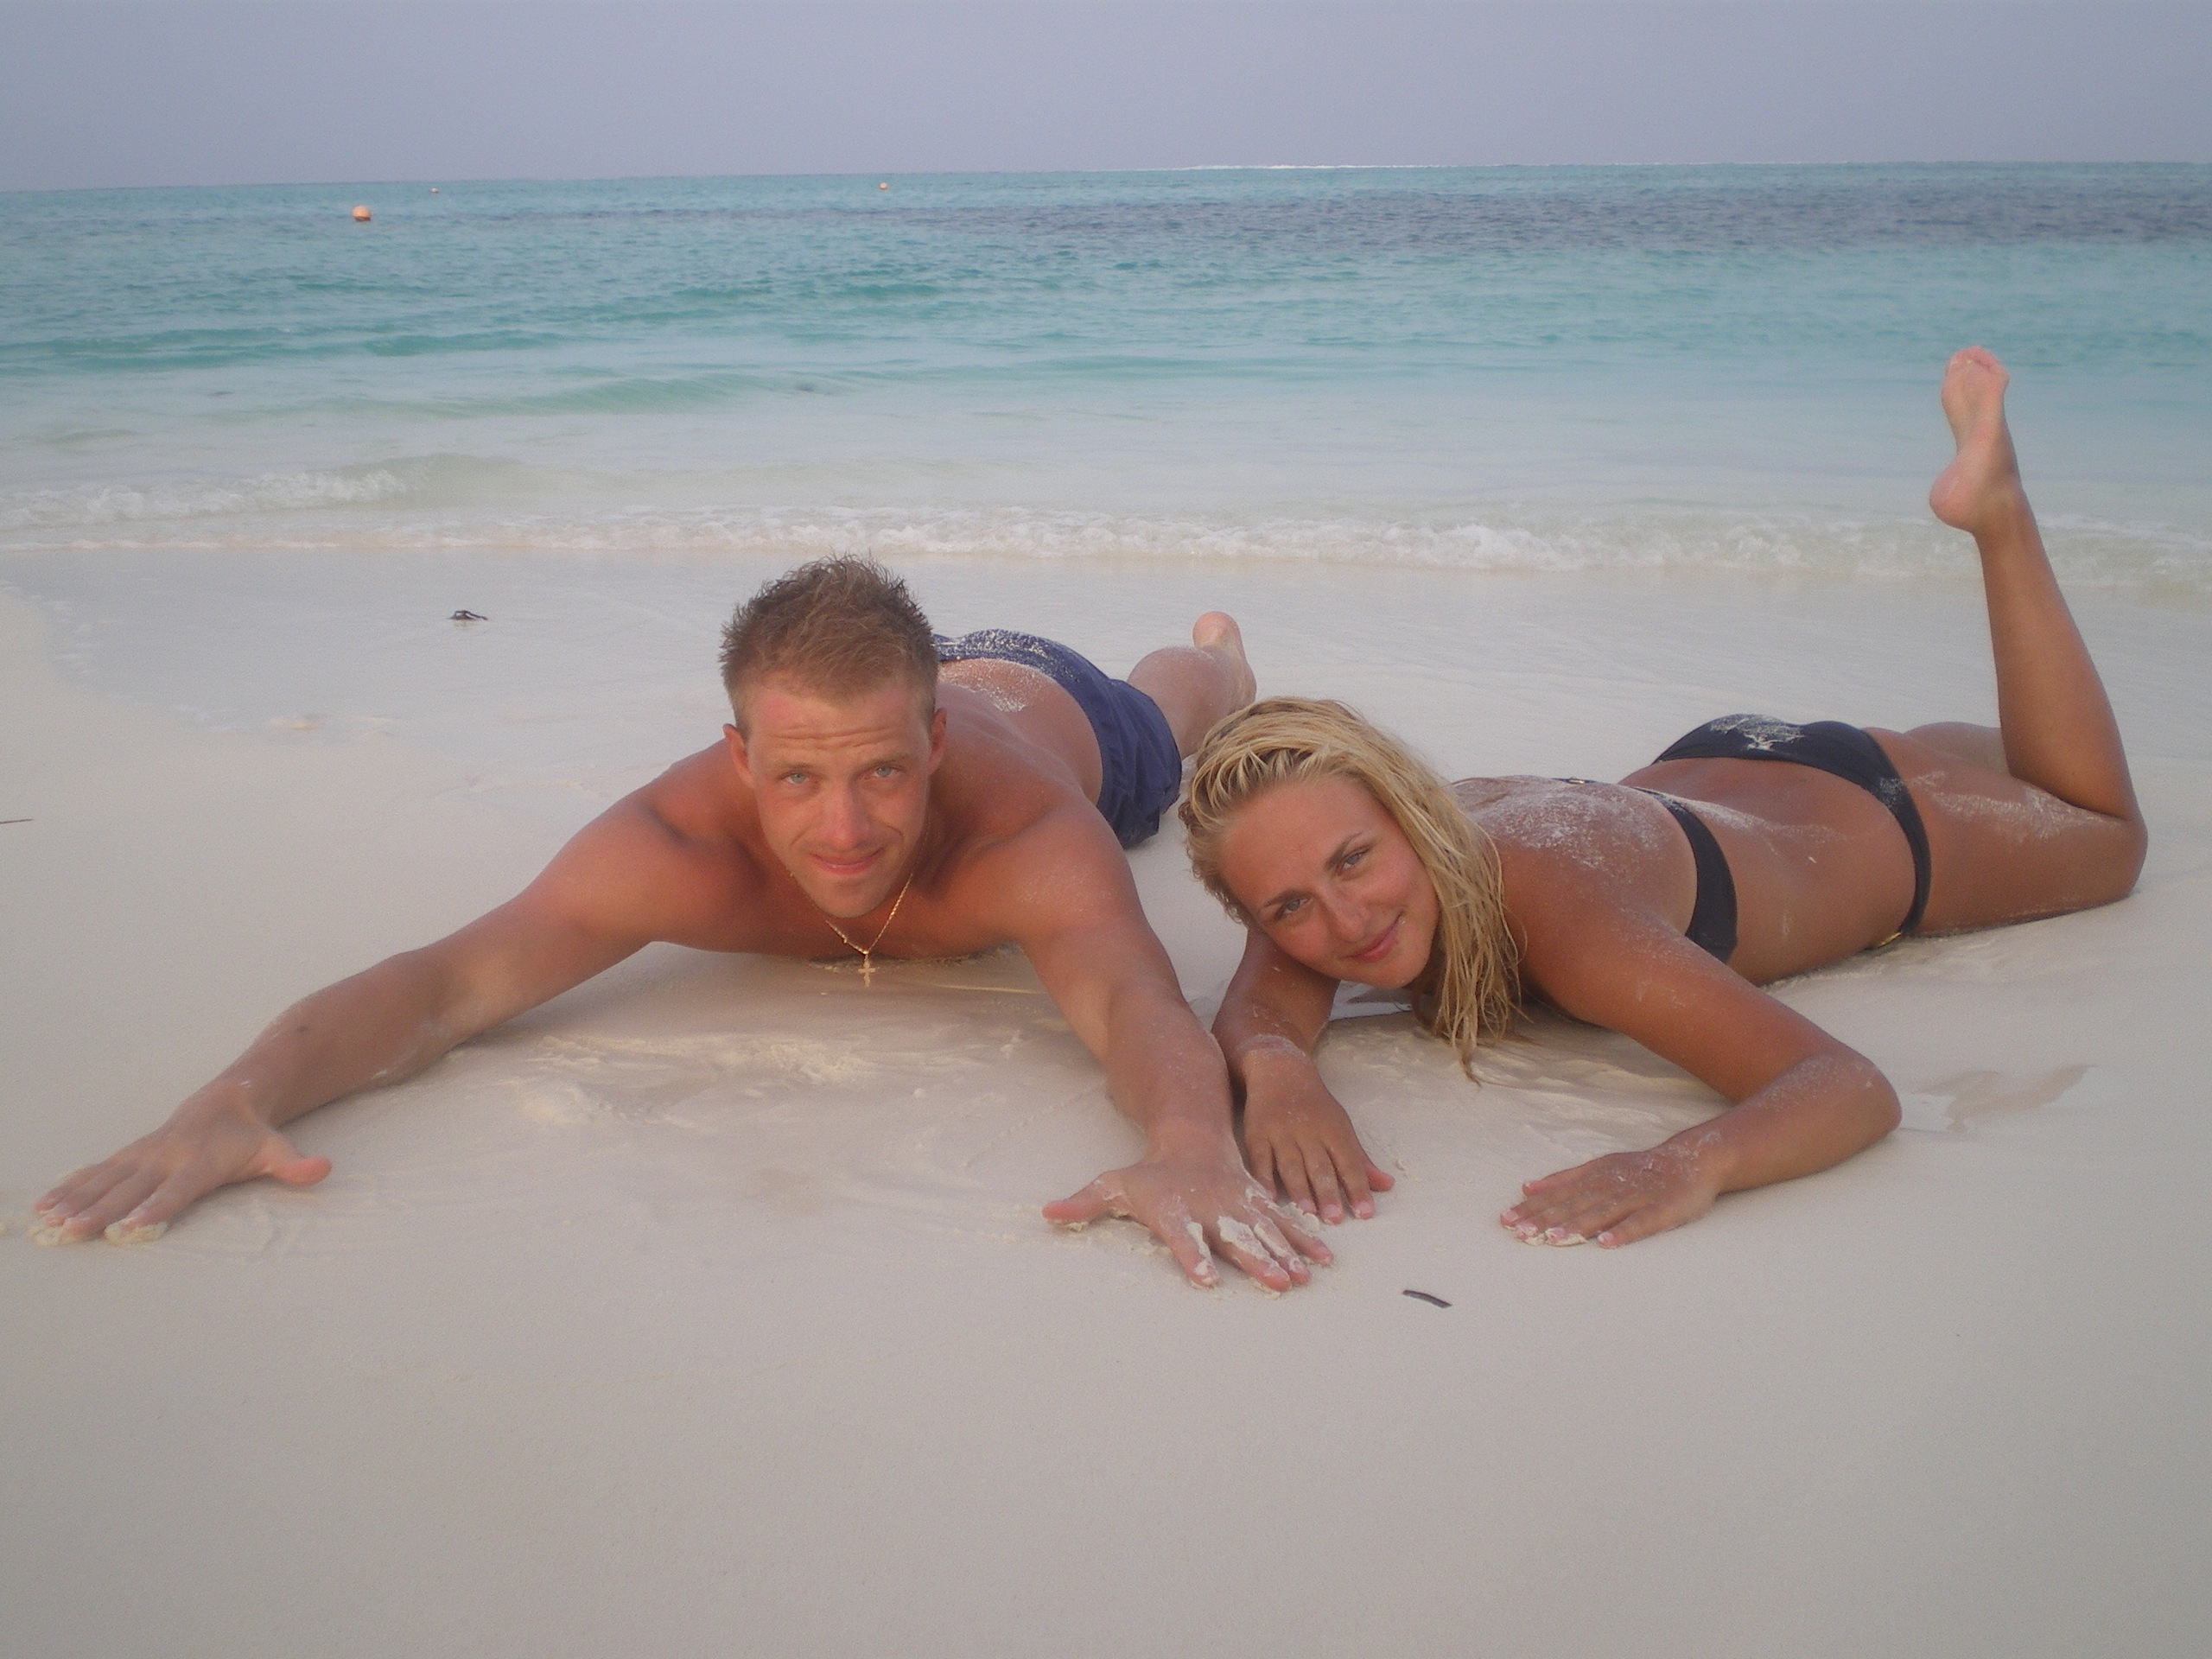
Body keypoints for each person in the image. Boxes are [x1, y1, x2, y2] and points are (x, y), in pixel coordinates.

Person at [36, 559, 1330, 1291]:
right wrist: (238, 1099)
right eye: (797, 777)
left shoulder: (1025, 835)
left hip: (1051, 706)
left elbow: (1131, 999)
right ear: (738, 752)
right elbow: (442, 988)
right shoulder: (673, 846)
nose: (842, 828)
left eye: (884, 774)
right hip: (912, 669)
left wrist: (1186, 1145)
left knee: (1173, 714)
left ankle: (1216, 648)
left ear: (933, 748)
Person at [1180, 349, 2147, 1247]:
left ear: (1409, 810)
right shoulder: (1311, 851)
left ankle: (2000, 515)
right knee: (2011, 755)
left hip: (1880, 815)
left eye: (1354, 862)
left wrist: (1692, 1163)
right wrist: (1279, 1074)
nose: (1347, 921)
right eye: (1289, 907)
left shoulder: (1551, 909)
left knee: (2101, 827)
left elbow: (1845, 1086)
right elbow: (1262, 1008)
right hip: (1724, 773)